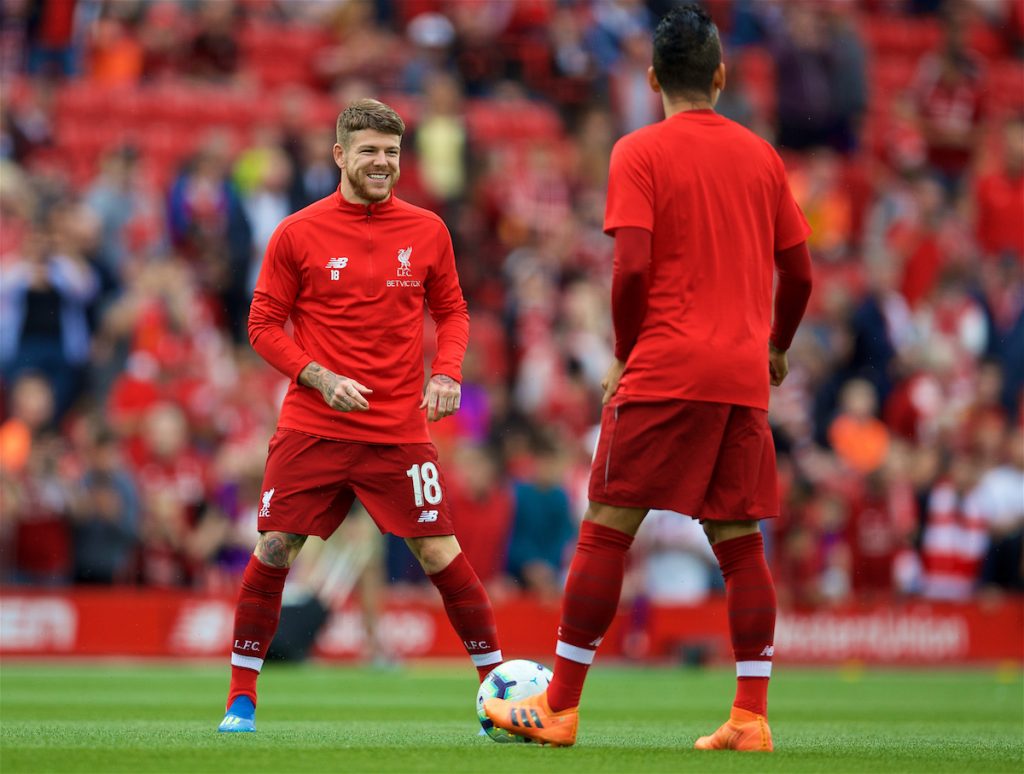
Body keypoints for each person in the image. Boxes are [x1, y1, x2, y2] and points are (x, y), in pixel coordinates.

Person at [484, 5, 812, 752]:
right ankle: (751, 718)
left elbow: (631, 266)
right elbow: (800, 272)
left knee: (606, 528)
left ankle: (559, 708)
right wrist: (777, 346)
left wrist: (626, 350)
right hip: (739, 375)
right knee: (740, 545)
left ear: (653, 77)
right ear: (722, 77)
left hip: (664, 363)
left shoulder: (639, 150)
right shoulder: (764, 158)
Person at [218, 99, 503, 732]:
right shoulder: (298, 232)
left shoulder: (428, 230)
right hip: (312, 423)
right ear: (341, 155)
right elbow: (261, 323)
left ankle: (498, 688)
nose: (382, 162)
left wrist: (447, 371)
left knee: (438, 552)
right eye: (369, 151)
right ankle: (242, 699)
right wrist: (316, 375)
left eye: (392, 152)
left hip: (398, 429)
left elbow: (454, 312)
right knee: (274, 546)